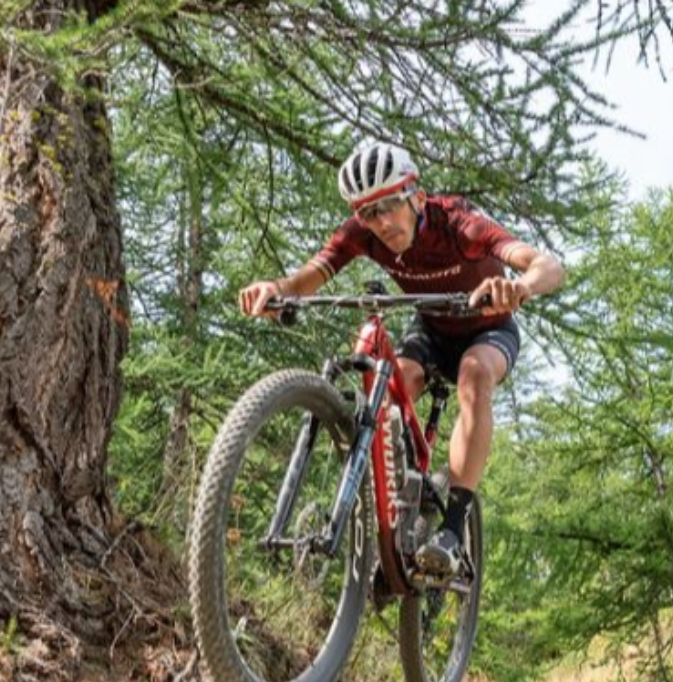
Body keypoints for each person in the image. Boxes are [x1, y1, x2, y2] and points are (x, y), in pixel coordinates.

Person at [239, 143, 565, 576]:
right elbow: (310, 276)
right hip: (430, 328)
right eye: (368, 213)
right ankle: (401, 504)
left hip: (488, 329)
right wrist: (274, 289)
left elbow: (548, 265)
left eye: (390, 205)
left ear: (415, 195)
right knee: (394, 381)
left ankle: (452, 527)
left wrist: (520, 286)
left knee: (473, 374)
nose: (383, 223)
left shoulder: (459, 225)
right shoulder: (362, 234)